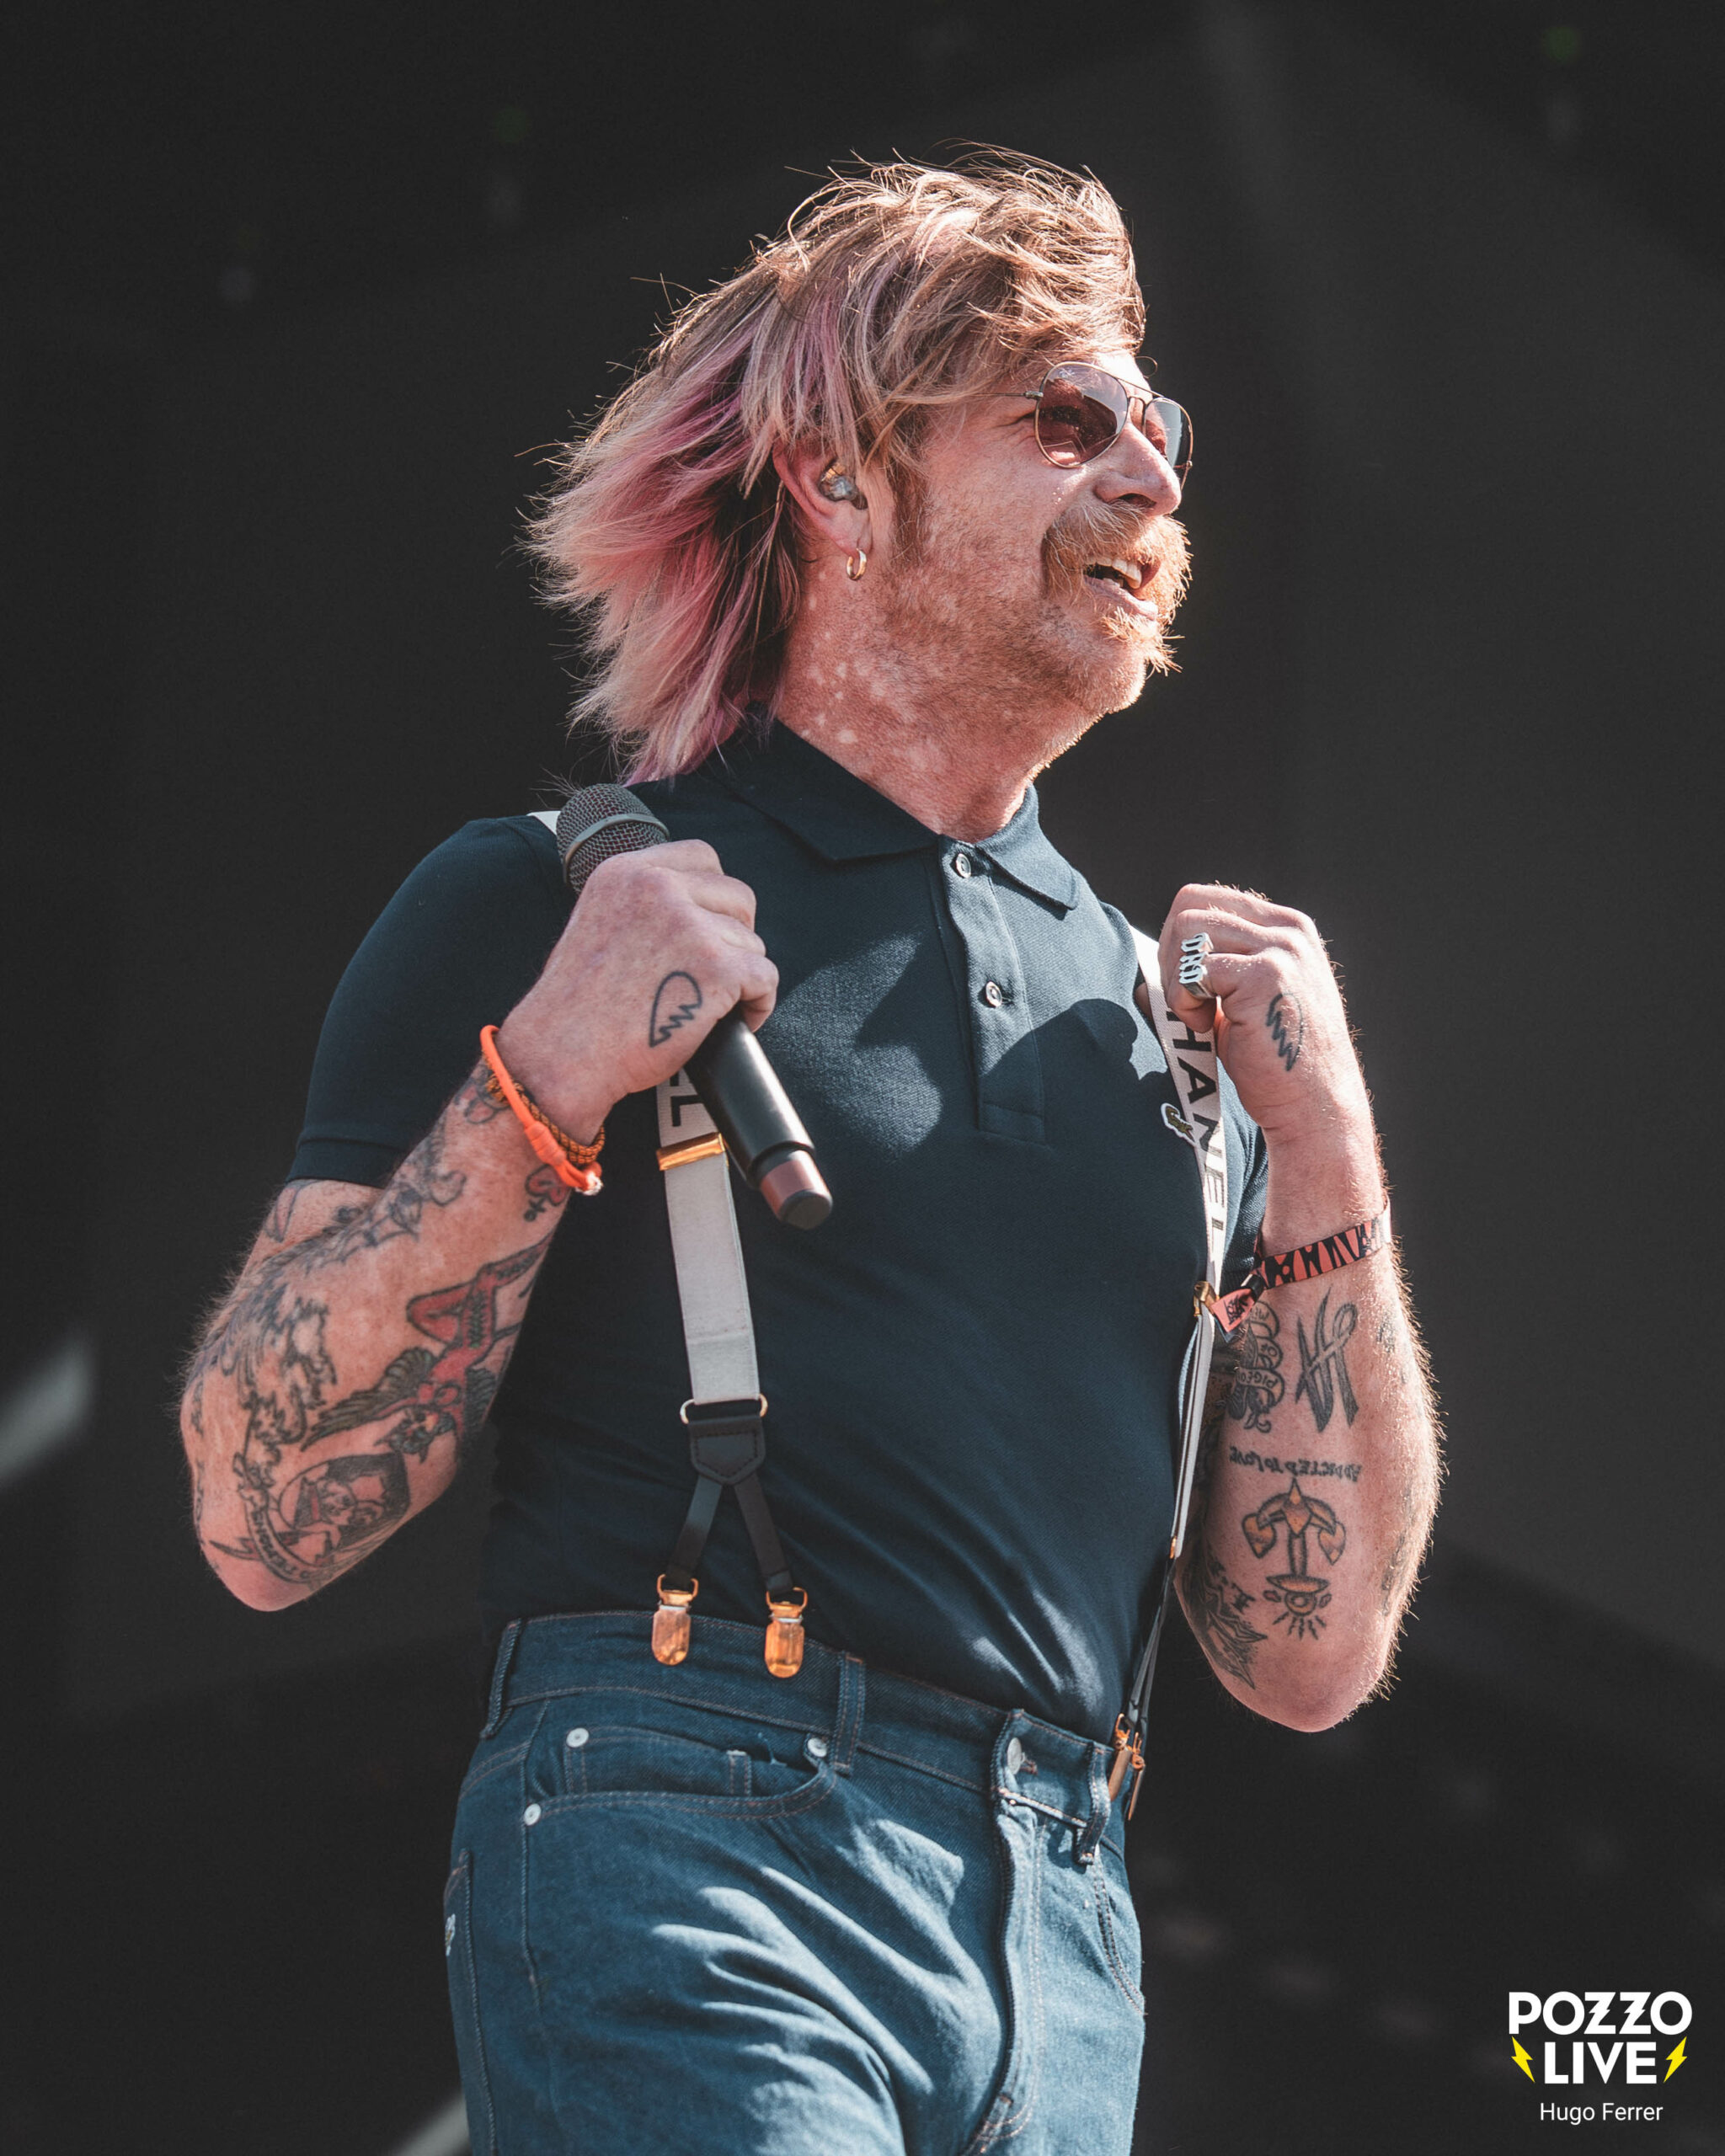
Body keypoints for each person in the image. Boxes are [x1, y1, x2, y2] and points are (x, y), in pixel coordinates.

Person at [181, 152, 1439, 2155]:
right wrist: (546, 1071)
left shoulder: (1176, 1035)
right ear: (842, 480)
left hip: (1066, 1927)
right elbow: (264, 1510)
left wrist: (1330, 1155)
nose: (1150, 479)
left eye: (1162, 432)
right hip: (692, 1840)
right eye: (1064, 420)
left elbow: (1309, 1654)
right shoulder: (549, 899)